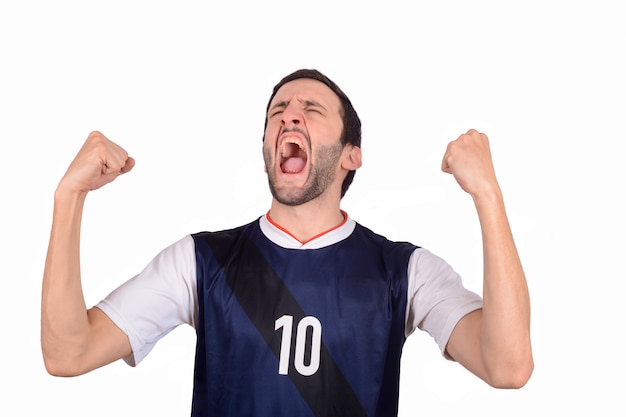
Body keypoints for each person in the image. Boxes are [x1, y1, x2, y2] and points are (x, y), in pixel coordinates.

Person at [41, 69, 533, 416]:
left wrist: (487, 196)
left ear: (351, 156)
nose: (288, 117)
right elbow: (69, 353)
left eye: (311, 109)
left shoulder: (405, 271)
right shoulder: (201, 262)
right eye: (278, 111)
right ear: (265, 150)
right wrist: (69, 196)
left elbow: (508, 366)